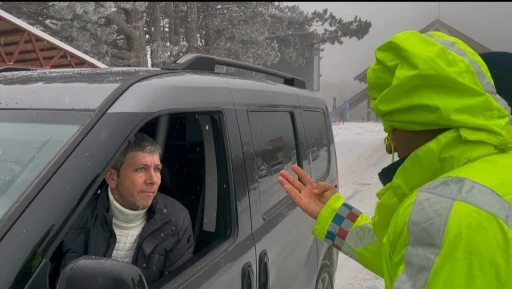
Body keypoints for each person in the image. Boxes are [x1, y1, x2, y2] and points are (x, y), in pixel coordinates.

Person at [278, 30, 512, 289]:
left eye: (391, 127)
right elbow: (406, 254)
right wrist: (332, 214)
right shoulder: (495, 172)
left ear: (418, 121)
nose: (389, 143)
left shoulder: (447, 208)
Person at [60, 132, 194, 284]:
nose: (153, 180)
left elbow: (178, 284)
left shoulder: (176, 219)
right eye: (141, 169)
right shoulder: (79, 215)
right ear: (112, 177)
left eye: (157, 169)